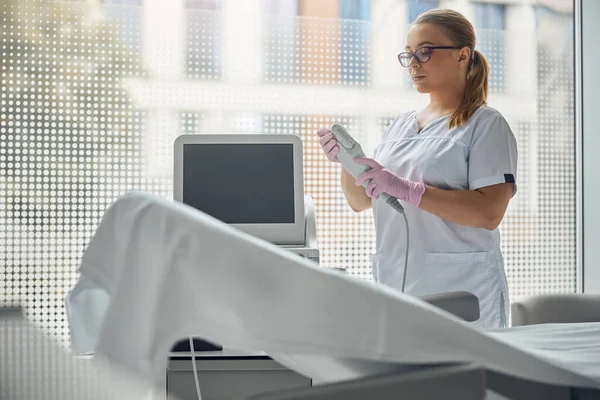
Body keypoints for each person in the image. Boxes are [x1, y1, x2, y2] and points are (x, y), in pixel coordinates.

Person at [317, 9, 518, 329]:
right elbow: (361, 201)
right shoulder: (401, 124)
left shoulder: (486, 124)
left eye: (425, 51)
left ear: (462, 55)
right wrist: (347, 163)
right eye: (408, 54)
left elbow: (488, 213)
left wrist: (409, 190)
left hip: (462, 292)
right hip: (400, 286)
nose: (413, 62)